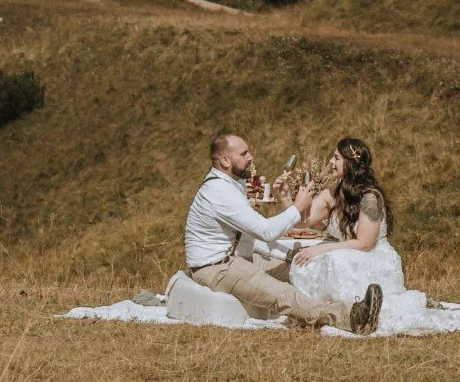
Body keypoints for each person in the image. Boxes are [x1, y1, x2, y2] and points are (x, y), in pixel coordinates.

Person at [183, 132, 382, 333]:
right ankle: (351, 317)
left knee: (301, 269)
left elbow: (249, 237)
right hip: (217, 267)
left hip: (235, 257)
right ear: (225, 161)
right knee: (282, 294)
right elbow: (266, 231)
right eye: (244, 154)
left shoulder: (231, 184)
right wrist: (297, 206)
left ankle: (355, 300)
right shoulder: (219, 191)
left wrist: (288, 256)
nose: (251, 157)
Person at [290, 137, 439, 335]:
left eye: (336, 158)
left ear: (350, 163)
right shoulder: (333, 193)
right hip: (346, 250)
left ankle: (359, 311)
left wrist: (320, 248)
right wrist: (286, 196)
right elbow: (301, 221)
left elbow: (365, 243)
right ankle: (321, 312)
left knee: (335, 260)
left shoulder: (370, 197)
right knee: (303, 261)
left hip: (372, 256)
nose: (330, 163)